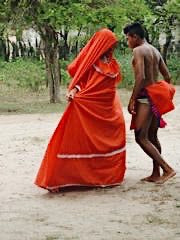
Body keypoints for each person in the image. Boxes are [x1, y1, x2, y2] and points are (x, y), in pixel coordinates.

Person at [35, 28, 126, 192]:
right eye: (110, 44)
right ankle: (67, 177)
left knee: (111, 139)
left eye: (114, 45)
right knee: (78, 139)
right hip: (89, 107)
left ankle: (106, 177)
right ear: (102, 44)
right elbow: (82, 81)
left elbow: (111, 87)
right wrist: (74, 91)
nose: (112, 48)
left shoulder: (112, 64)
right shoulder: (92, 63)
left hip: (108, 109)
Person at [123, 22, 176, 184]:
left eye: (127, 38)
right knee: (152, 136)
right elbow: (167, 76)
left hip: (145, 97)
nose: (127, 42)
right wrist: (159, 93)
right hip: (154, 97)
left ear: (135, 37)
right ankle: (155, 173)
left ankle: (167, 169)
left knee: (141, 136)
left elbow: (141, 76)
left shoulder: (138, 50)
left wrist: (133, 98)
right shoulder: (154, 50)